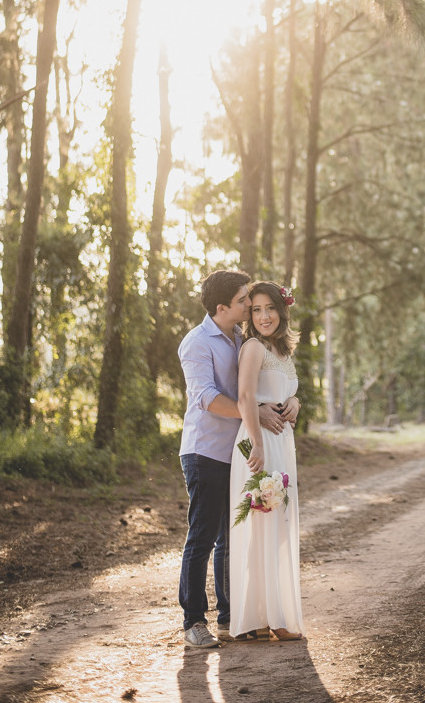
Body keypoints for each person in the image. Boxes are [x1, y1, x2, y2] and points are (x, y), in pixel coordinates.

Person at [177, 269, 280, 650]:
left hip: (234, 452)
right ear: (223, 307)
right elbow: (205, 397)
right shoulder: (196, 342)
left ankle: (227, 616)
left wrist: (271, 406)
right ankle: (192, 621)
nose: (249, 304)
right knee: (202, 535)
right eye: (242, 300)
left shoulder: (241, 338)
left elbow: (255, 388)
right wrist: (252, 413)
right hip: (204, 451)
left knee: (229, 536)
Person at [229, 280, 304, 641]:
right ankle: (270, 617)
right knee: (262, 526)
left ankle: (266, 613)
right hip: (257, 444)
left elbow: (284, 391)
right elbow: (244, 397)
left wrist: (296, 403)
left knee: (277, 528)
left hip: (282, 442)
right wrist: (257, 443)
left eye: (269, 308)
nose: (263, 316)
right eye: (256, 310)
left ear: (282, 310)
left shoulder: (283, 351)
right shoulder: (253, 348)